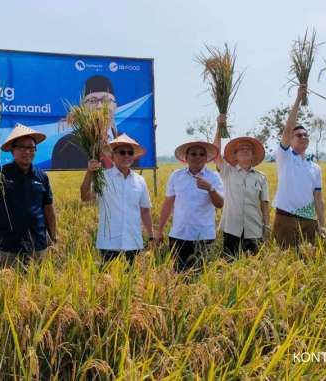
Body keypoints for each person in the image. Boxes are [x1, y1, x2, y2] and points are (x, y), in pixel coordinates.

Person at [0, 123, 57, 266]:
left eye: (31, 147)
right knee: (7, 285)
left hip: (38, 242)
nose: (27, 151)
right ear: (12, 150)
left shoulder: (42, 176)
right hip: (8, 244)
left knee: (37, 284)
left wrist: (53, 237)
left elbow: (48, 209)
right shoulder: (1, 173)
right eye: (22, 147)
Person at [80, 133, 153, 263]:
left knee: (133, 281)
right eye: (122, 152)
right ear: (112, 156)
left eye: (130, 153)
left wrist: (151, 236)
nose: (126, 155)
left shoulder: (140, 181)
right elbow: (85, 197)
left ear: (133, 157)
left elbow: (145, 211)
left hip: (133, 242)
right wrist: (89, 172)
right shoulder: (102, 178)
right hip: (109, 243)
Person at [272, 85, 326, 248]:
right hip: (285, 218)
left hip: (309, 220)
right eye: (298, 135)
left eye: (305, 135)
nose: (303, 137)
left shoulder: (315, 168)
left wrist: (322, 223)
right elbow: (288, 129)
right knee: (284, 261)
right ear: (291, 138)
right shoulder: (285, 156)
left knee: (308, 259)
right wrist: (298, 99)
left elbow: (318, 198)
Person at [156, 141, 224, 271]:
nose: (197, 157)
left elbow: (220, 204)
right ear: (186, 158)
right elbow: (168, 204)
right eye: (193, 154)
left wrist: (210, 189)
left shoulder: (213, 177)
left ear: (206, 158)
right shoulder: (176, 176)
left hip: (204, 236)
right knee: (177, 275)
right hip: (179, 235)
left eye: (201, 154)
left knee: (201, 276)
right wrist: (159, 231)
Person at [213, 119, 270, 260]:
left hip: (254, 228)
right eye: (241, 149)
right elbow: (215, 152)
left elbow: (264, 204)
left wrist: (266, 226)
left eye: (248, 149)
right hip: (231, 228)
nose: (245, 151)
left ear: (253, 155)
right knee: (229, 263)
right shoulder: (227, 171)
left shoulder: (261, 177)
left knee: (254, 266)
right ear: (235, 155)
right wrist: (219, 126)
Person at [52, 75, 119, 169]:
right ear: (83, 108)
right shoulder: (66, 145)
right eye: (92, 101)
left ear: (115, 107)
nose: (99, 106)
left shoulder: (127, 144)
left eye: (106, 100)